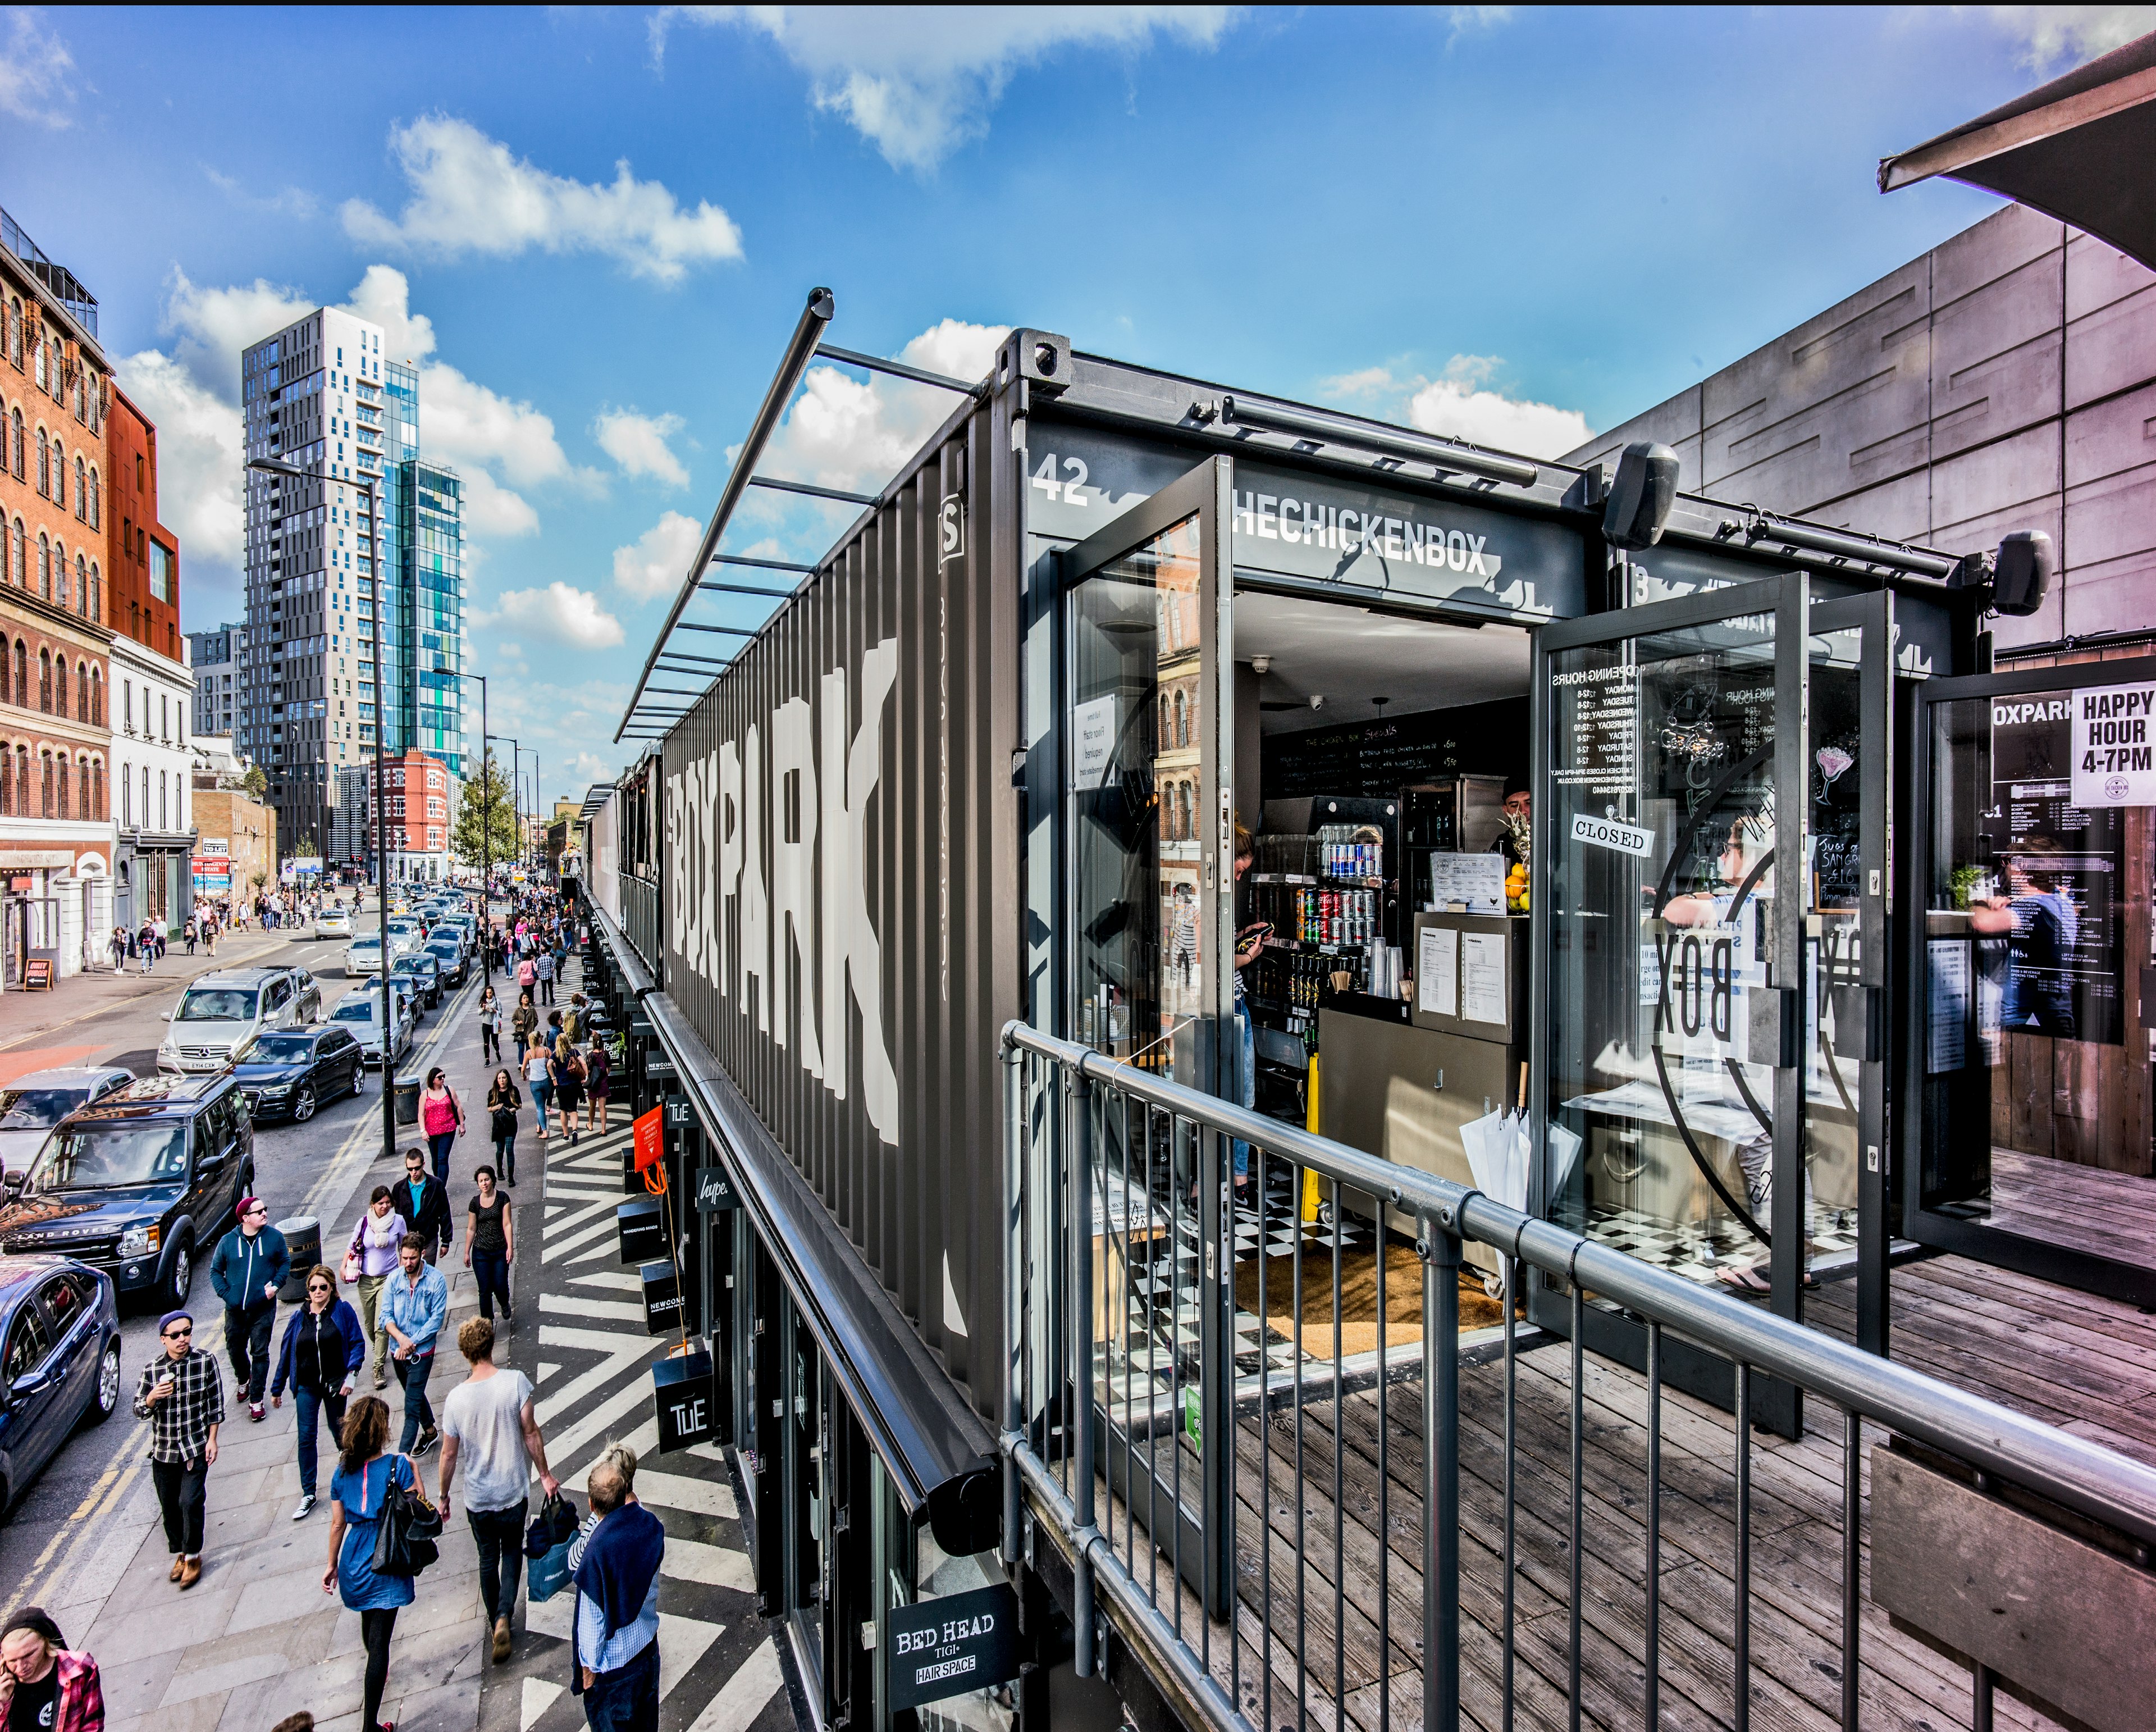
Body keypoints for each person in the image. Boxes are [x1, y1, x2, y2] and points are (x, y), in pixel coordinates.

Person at [437, 1316, 559, 1665]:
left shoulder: (456, 1399)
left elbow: (448, 1454)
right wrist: (546, 1475)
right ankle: (506, 1613)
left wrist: (444, 1497)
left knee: (487, 1558)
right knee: (511, 1553)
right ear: (491, 1345)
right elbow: (531, 1433)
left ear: (464, 1353)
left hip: (478, 1497)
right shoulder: (515, 1383)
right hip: (512, 1490)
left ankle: (496, 1621)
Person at [322, 1397, 421, 1732]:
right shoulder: (398, 1466)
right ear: (382, 1431)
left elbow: (337, 1525)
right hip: (387, 1557)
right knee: (381, 1644)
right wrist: (416, 1469)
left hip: (355, 1559)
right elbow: (420, 1510)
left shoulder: (342, 1472)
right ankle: (370, 1727)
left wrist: (331, 1564)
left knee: (371, 1627)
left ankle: (375, 1669)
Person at [570, 1458, 664, 1732]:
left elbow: (592, 1626)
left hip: (614, 1674)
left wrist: (588, 1672)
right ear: (625, 1493)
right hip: (647, 1654)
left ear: (591, 1505)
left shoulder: (597, 1555)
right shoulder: (649, 1527)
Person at [133, 1308, 223, 1589]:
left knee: (191, 1502)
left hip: (195, 1447)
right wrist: (152, 1398)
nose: (182, 1339)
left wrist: (212, 1440)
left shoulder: (205, 1361)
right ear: (163, 1339)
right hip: (164, 1452)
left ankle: (194, 1556)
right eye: (175, 1335)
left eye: (187, 1332)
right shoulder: (152, 1370)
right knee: (170, 1507)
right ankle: (181, 1554)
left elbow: (215, 1406)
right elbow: (138, 1410)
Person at [271, 1264, 366, 1520]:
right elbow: (286, 1354)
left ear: (332, 1289)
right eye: (313, 1288)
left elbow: (357, 1343)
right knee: (306, 1437)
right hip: (307, 1386)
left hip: (336, 1383)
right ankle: (308, 1493)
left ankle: (355, 1477)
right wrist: (277, 1388)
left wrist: (352, 1375)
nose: (318, 1292)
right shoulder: (298, 1318)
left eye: (323, 1287)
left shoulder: (343, 1311)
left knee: (341, 1434)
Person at [209, 1197, 290, 1423]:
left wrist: (275, 1287)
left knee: (260, 1352)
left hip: (263, 1307)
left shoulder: (274, 1237)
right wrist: (228, 1295)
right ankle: (244, 1378)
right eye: (259, 1211)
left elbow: (285, 1263)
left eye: (265, 1209)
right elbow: (215, 1271)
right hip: (235, 1309)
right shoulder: (227, 1242)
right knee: (234, 1348)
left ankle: (256, 1400)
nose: (264, 1213)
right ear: (245, 1218)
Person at [380, 1236, 448, 1456]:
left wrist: (412, 1342)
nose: (408, 1263)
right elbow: (385, 1317)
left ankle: (402, 1458)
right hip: (397, 1351)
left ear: (422, 1255)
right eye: (404, 1258)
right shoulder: (393, 1280)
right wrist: (401, 1339)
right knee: (414, 1395)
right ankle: (430, 1431)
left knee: (410, 1407)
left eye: (412, 1258)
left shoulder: (436, 1281)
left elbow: (436, 1320)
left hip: (422, 1353)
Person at [345, 1187, 409, 1389]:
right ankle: (380, 1348)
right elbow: (351, 1246)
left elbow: (405, 1246)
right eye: (381, 1203)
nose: (385, 1206)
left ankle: (378, 1367)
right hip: (366, 1281)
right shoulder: (364, 1223)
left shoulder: (398, 1221)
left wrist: (402, 1270)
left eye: (388, 1203)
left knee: (381, 1325)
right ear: (372, 1204)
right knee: (369, 1325)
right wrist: (343, 1265)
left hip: (388, 1279)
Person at [0, 1609, 104, 1732]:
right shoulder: (3, 1684)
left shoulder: (81, 1669)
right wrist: (2, 1703)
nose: (21, 1666)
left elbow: (92, 1726)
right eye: (12, 1661)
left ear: (46, 1642)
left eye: (28, 1655)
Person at [464, 1166, 514, 1325]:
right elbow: (472, 1229)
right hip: (481, 1253)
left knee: (500, 1284)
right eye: (481, 1181)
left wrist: (510, 1247)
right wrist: (466, 1252)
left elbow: (507, 1224)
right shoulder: (475, 1203)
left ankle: (504, 1303)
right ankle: (488, 1323)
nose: (484, 1184)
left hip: (499, 1250)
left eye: (486, 1180)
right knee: (484, 1290)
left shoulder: (503, 1199)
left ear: (492, 1180)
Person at [391, 1146, 454, 1266]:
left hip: (428, 1239)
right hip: (407, 1242)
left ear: (423, 1164)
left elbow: (445, 1212)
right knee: (409, 1278)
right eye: (410, 1169)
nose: (414, 1172)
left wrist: (446, 1241)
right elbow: (393, 1215)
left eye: (417, 1168)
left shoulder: (436, 1185)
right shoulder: (399, 1188)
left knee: (425, 1275)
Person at [419, 1069, 466, 1185]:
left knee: (442, 1159)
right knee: (435, 1160)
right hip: (431, 1132)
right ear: (433, 1080)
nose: (443, 1079)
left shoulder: (449, 1090)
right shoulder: (425, 1094)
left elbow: (459, 1106)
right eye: (440, 1077)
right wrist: (423, 1130)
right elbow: (421, 1114)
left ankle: (441, 1187)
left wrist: (462, 1125)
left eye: (443, 1076)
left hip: (448, 1130)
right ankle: (438, 1182)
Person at [486, 1069, 523, 1186]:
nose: (502, 1081)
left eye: (504, 1078)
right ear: (497, 1080)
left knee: (510, 1150)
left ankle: (511, 1176)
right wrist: (497, 1107)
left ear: (508, 1079)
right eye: (500, 1078)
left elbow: (519, 1104)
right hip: (499, 1125)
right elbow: (489, 1108)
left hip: (511, 1124)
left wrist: (511, 1110)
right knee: (500, 1150)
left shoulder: (514, 1090)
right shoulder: (493, 1092)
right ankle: (499, 1169)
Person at [550, 1036, 585, 1145]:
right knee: (573, 1110)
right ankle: (575, 1130)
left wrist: (553, 1078)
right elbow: (583, 1063)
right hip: (574, 1085)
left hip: (561, 1086)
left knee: (563, 1110)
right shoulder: (574, 1051)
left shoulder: (556, 1055)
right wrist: (586, 1076)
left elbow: (548, 1064)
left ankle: (566, 1135)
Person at [524, 1036, 554, 1143]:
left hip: (535, 1083)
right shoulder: (546, 1050)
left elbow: (523, 1068)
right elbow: (553, 1063)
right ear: (538, 1040)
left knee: (540, 1107)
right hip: (546, 1082)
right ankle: (539, 1126)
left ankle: (545, 1131)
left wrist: (524, 1076)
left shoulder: (529, 1053)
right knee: (542, 1104)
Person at [582, 1036, 611, 1136]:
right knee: (602, 1107)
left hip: (593, 1084)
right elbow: (609, 1067)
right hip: (603, 1083)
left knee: (592, 1106)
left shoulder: (591, 1056)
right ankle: (604, 1129)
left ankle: (590, 1124)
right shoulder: (605, 1054)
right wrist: (605, 1075)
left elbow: (589, 1070)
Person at [477, 985, 503, 1064]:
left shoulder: (497, 1001)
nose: (489, 995)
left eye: (490, 993)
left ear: (493, 993)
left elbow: (501, 1013)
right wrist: (483, 1009)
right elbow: (479, 1013)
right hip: (486, 1024)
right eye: (487, 993)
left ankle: (497, 1051)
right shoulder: (483, 1002)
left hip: (495, 1024)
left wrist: (495, 1010)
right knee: (486, 1043)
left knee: (495, 1042)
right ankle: (487, 1060)